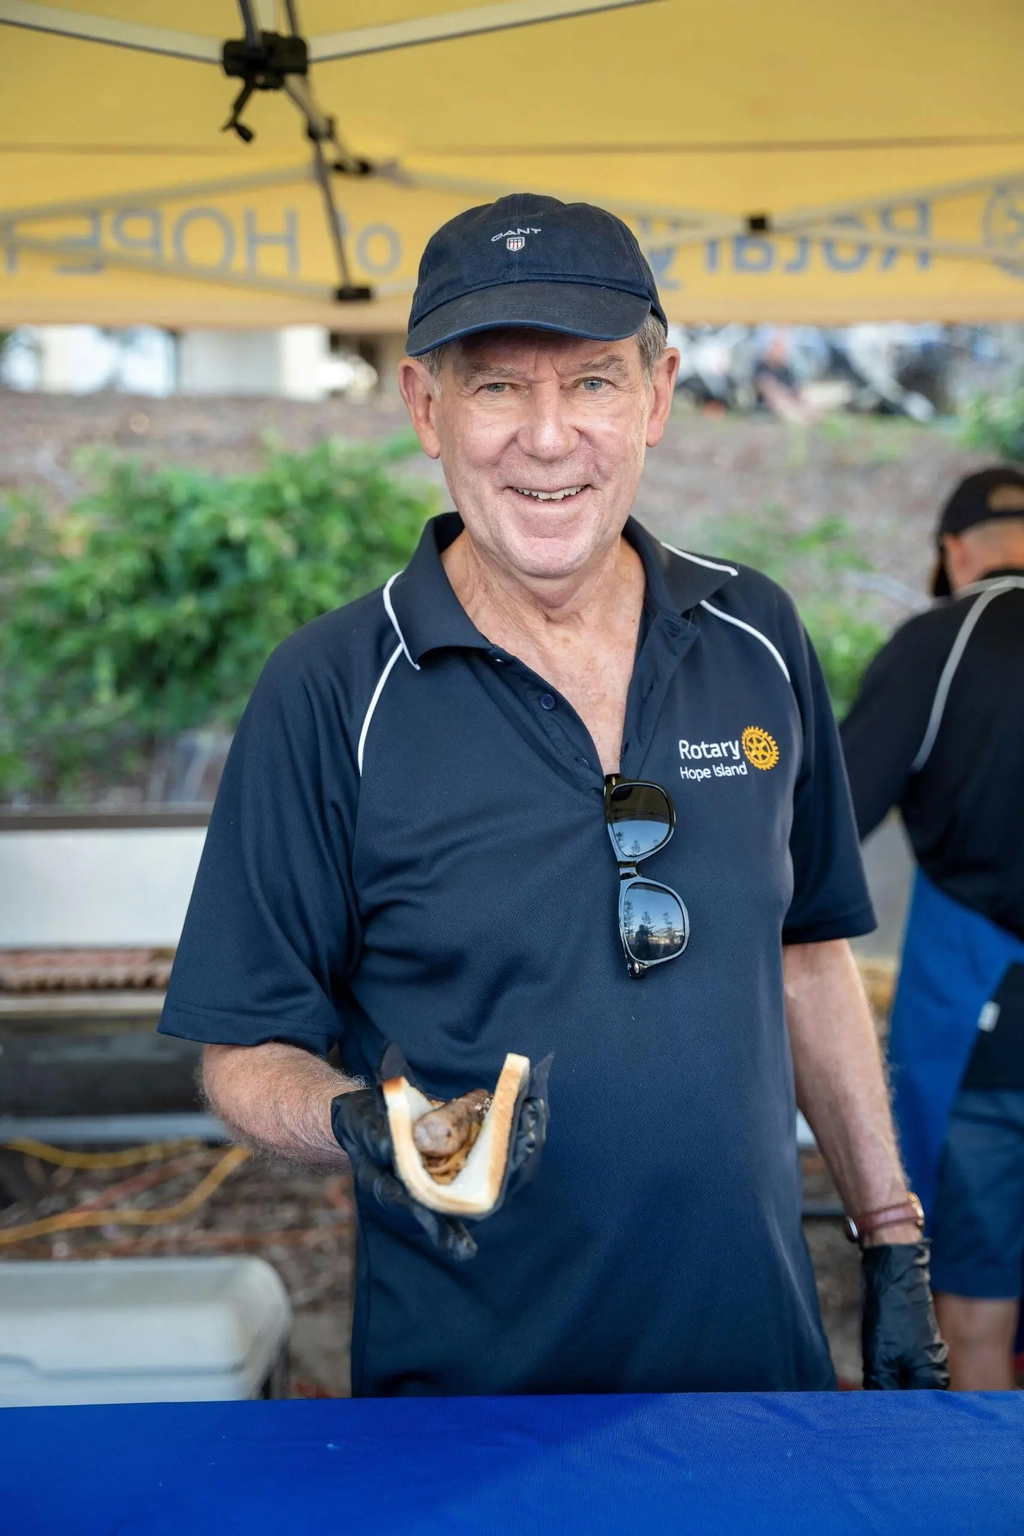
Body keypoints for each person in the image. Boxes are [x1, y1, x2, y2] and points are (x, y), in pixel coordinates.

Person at [160, 194, 946, 1397]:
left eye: (590, 382)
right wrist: (375, 1128)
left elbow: (807, 958)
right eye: (496, 389)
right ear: (426, 408)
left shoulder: (754, 636)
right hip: (469, 1407)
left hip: (754, 1371)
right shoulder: (331, 691)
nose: (547, 437)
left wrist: (892, 1243)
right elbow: (240, 1049)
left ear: (658, 395)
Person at [841, 467, 1024, 1389]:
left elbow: (826, 828)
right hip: (981, 1008)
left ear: (952, 554)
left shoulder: (937, 645)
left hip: (979, 1018)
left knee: (975, 1308)